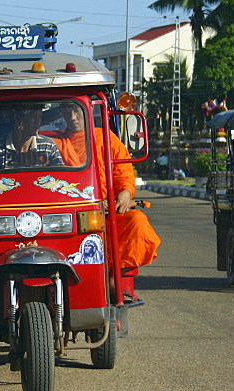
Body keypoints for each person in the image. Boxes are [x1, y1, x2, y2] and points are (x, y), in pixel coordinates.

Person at [53, 105, 161, 281]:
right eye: (67, 112)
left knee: (137, 222)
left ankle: (114, 279)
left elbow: (123, 172)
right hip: (71, 213)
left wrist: (125, 193)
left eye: (77, 111)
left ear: (88, 112)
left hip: (105, 210)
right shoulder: (57, 143)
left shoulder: (105, 138)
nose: (72, 117)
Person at [0, 106, 64, 171]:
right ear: (18, 119)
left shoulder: (48, 146)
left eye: (39, 117)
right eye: (33, 117)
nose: (38, 122)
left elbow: (60, 176)